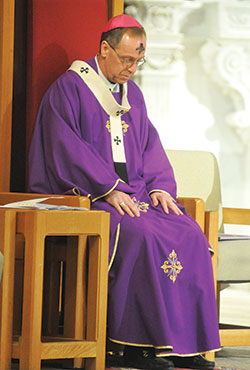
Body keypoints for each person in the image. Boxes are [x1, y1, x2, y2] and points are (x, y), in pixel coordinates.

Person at [28, 14, 221, 370]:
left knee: (189, 231)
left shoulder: (133, 95)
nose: (132, 68)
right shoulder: (69, 88)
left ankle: (184, 345)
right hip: (87, 196)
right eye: (127, 59)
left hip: (135, 194)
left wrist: (161, 186)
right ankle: (137, 347)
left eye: (138, 61)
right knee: (142, 234)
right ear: (105, 49)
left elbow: (150, 145)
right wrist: (108, 189)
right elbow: (63, 147)